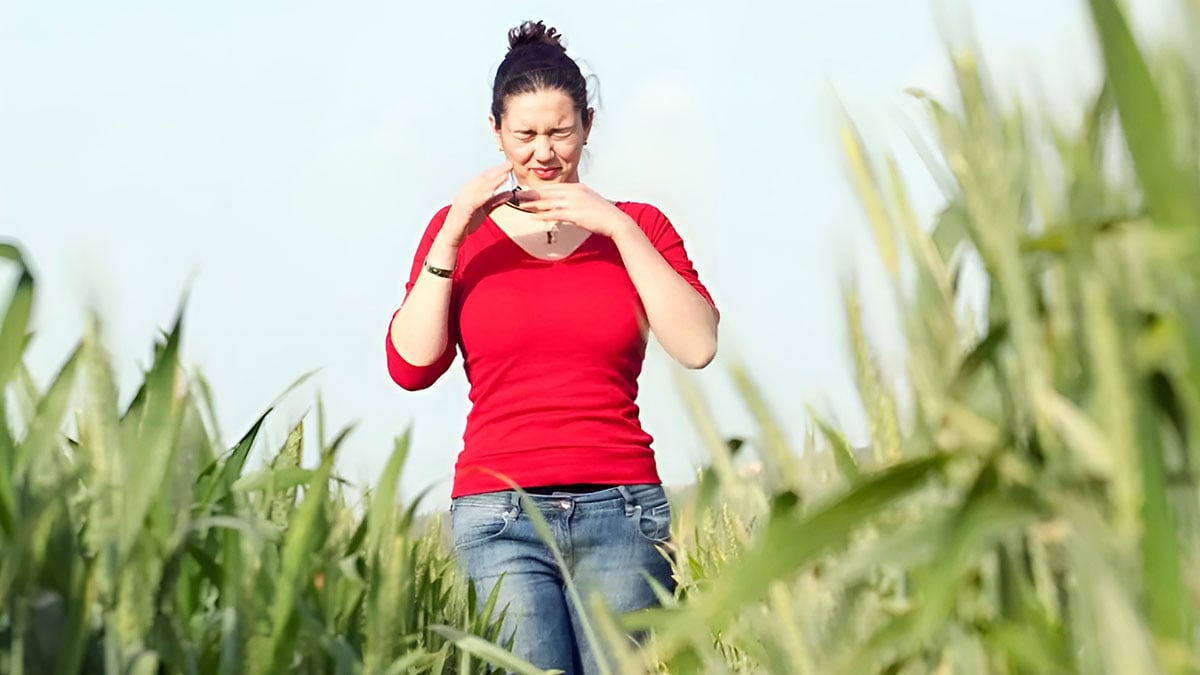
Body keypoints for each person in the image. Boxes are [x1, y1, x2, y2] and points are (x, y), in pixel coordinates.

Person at [384, 19, 719, 674]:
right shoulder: (459, 237)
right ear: (495, 131)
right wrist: (451, 234)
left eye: (560, 132)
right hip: (498, 511)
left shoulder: (639, 227)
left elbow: (698, 343)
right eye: (525, 134)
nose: (543, 152)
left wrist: (616, 226)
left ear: (587, 126)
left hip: (622, 509)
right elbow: (410, 365)